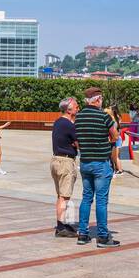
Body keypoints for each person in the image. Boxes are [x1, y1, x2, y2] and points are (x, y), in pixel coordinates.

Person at [74, 87, 119, 247]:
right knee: (101, 200)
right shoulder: (104, 116)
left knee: (86, 198)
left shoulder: (78, 117)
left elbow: (76, 140)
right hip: (101, 163)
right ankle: (103, 237)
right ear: (98, 100)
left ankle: (83, 234)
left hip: (85, 162)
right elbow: (115, 136)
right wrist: (105, 144)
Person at [50, 97, 79, 237]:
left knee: (60, 195)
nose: (78, 109)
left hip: (56, 160)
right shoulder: (69, 124)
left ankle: (61, 223)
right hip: (66, 162)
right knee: (64, 196)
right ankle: (61, 227)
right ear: (69, 110)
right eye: (76, 107)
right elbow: (78, 143)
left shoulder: (58, 122)